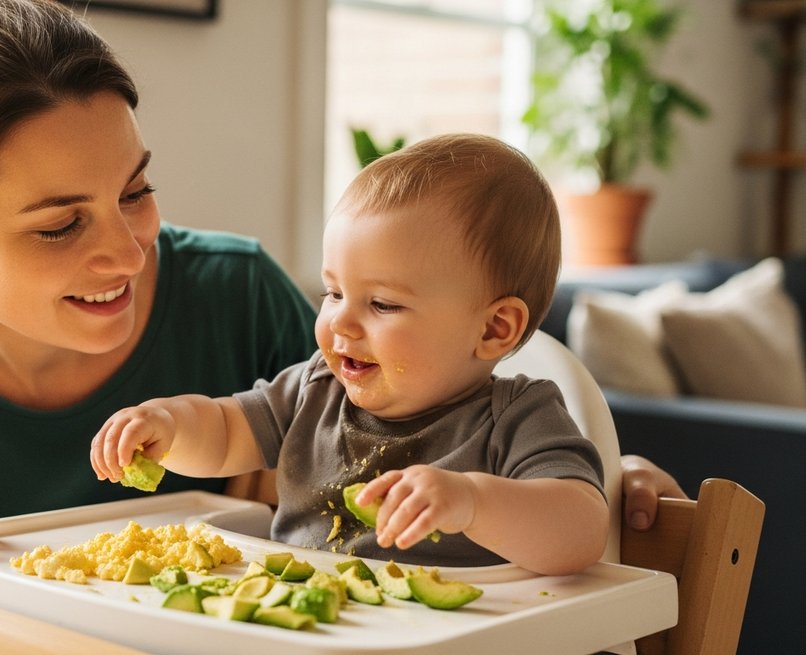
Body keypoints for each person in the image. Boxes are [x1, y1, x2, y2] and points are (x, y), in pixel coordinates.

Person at [0, 0, 686, 577]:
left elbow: (419, 405)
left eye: (136, 190)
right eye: (61, 223)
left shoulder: (235, 295)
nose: (126, 250)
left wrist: (599, 480)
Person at [92, 135, 609, 575]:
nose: (339, 321)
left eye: (382, 304)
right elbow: (226, 431)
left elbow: (582, 528)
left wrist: (471, 502)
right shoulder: (315, 390)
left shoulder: (517, 418)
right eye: (333, 293)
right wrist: (169, 423)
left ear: (495, 328)